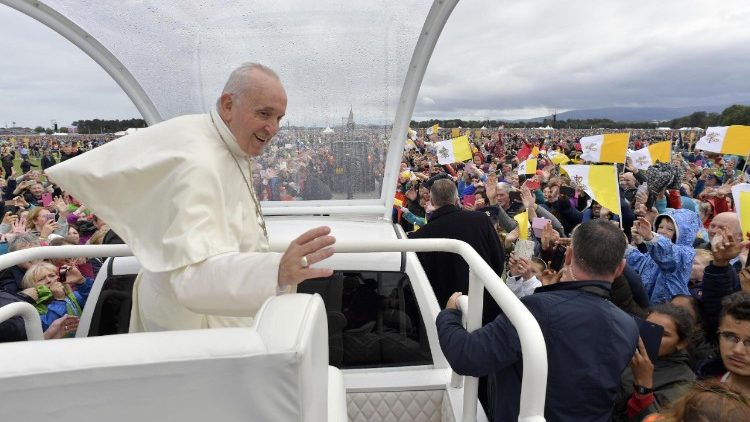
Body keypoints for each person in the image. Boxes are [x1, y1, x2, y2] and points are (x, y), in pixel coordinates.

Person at [46, 63, 336, 331]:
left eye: (279, 118)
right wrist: (276, 270)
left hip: (208, 305)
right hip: (193, 327)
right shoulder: (200, 165)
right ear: (228, 105)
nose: (273, 128)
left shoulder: (220, 139)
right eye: (264, 114)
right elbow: (190, 278)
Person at [436, 220, 639, 421]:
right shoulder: (629, 326)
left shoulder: (537, 309)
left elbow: (469, 356)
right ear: (620, 268)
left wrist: (449, 315)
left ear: (568, 256)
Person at [407, 178, 504, 325]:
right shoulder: (480, 220)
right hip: (486, 307)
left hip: (444, 313)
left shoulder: (420, 237)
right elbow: (498, 259)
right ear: (456, 200)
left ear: (432, 202)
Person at [613, 304, 696, 421]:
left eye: (663, 334)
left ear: (681, 343)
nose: (651, 337)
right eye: (647, 329)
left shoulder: (683, 382)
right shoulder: (628, 353)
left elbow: (656, 418)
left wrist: (643, 385)